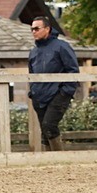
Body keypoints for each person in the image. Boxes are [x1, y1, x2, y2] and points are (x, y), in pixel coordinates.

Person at [28, 16, 79, 151]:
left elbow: (73, 70)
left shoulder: (61, 47)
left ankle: (58, 157)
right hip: (39, 96)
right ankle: (49, 162)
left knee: (49, 125)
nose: (34, 32)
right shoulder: (33, 52)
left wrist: (65, 92)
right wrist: (32, 92)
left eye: (37, 28)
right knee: (45, 132)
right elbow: (31, 74)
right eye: (32, 29)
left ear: (47, 29)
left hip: (58, 94)